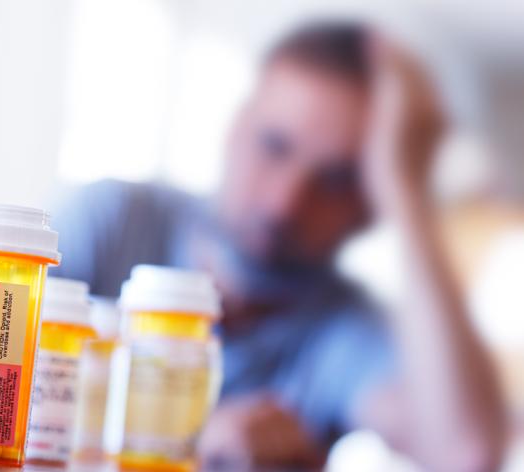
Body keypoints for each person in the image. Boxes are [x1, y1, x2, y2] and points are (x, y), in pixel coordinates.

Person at [51, 21, 506, 470]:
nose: (284, 203)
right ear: (234, 127)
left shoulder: (343, 329)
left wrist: (408, 194)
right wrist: (188, 445)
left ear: (371, 206)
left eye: (335, 180)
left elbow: (465, 453)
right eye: (274, 145)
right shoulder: (114, 219)